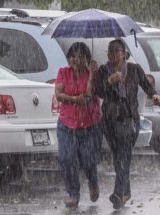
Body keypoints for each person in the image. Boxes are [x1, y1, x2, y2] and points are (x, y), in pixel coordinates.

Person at [94, 39, 160, 209]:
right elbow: (99, 92)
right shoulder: (103, 70)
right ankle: (126, 192)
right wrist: (108, 81)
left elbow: (147, 85)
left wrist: (154, 95)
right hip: (109, 121)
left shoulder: (133, 69)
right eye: (110, 52)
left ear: (124, 53)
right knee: (118, 158)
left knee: (124, 156)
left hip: (129, 119)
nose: (113, 55)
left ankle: (118, 193)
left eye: (117, 51)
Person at [55, 42, 102, 208]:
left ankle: (93, 182)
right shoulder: (63, 72)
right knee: (67, 159)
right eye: (73, 56)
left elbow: (90, 95)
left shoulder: (93, 74)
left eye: (81, 56)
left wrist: (91, 76)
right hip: (67, 124)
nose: (76, 59)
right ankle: (73, 193)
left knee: (88, 160)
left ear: (87, 58)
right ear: (69, 58)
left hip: (89, 124)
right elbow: (59, 95)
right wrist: (75, 100)